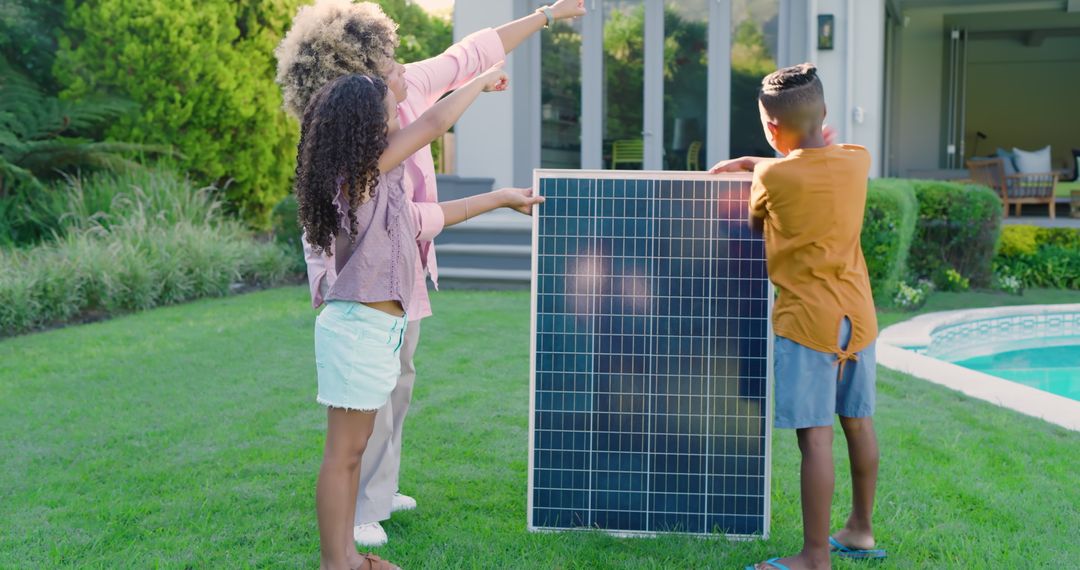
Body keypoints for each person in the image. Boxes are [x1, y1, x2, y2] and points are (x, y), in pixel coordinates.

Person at [275, 0, 586, 546]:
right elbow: (436, 123)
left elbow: (416, 215)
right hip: (360, 304)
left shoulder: (371, 132)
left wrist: (544, 17)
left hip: (391, 288)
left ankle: (376, 491)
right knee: (354, 429)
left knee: (396, 386)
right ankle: (357, 516)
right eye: (389, 66)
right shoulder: (360, 156)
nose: (402, 72)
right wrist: (479, 84)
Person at [293, 67, 541, 569]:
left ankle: (348, 557)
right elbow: (434, 122)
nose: (398, 115)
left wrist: (500, 199)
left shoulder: (378, 188)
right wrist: (479, 79)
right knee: (343, 458)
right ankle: (336, 564)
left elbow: (432, 218)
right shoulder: (360, 176)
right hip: (359, 332)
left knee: (353, 454)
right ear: (368, 124)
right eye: (389, 109)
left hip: (373, 332)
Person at [710, 63, 886, 570]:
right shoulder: (858, 160)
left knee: (815, 437)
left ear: (770, 128)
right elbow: (815, 160)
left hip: (809, 323)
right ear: (824, 113)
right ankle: (860, 530)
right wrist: (766, 159)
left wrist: (757, 164)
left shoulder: (771, 175)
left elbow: (755, 216)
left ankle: (814, 557)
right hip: (859, 316)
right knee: (858, 422)